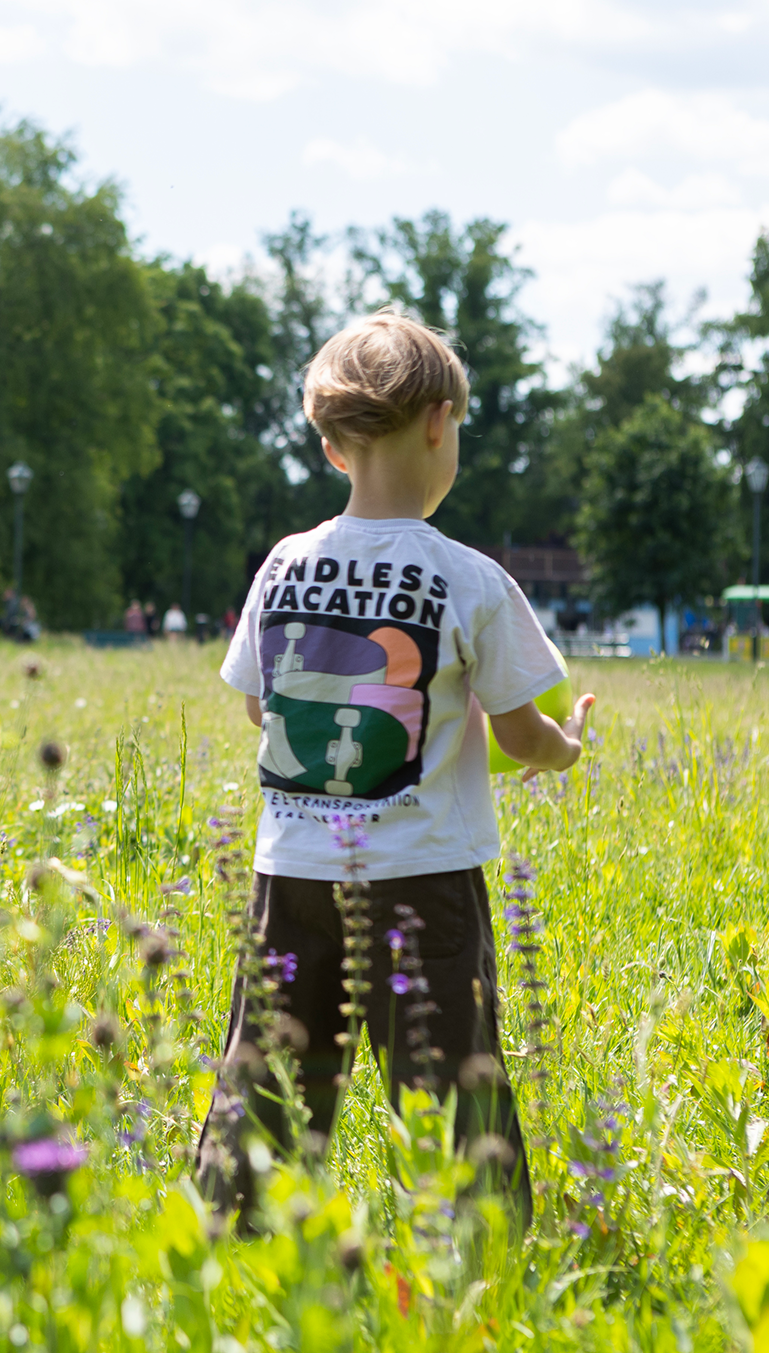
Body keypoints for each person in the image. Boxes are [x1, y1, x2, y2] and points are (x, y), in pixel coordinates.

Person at [195, 310, 595, 1233]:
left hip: (291, 874)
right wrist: (566, 745)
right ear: (438, 423)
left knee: (269, 1072)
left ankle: (233, 1235)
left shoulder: (285, 564)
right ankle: (477, 1242)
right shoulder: (471, 578)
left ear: (333, 447)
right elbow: (519, 729)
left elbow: (260, 704)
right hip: (424, 880)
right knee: (453, 1075)